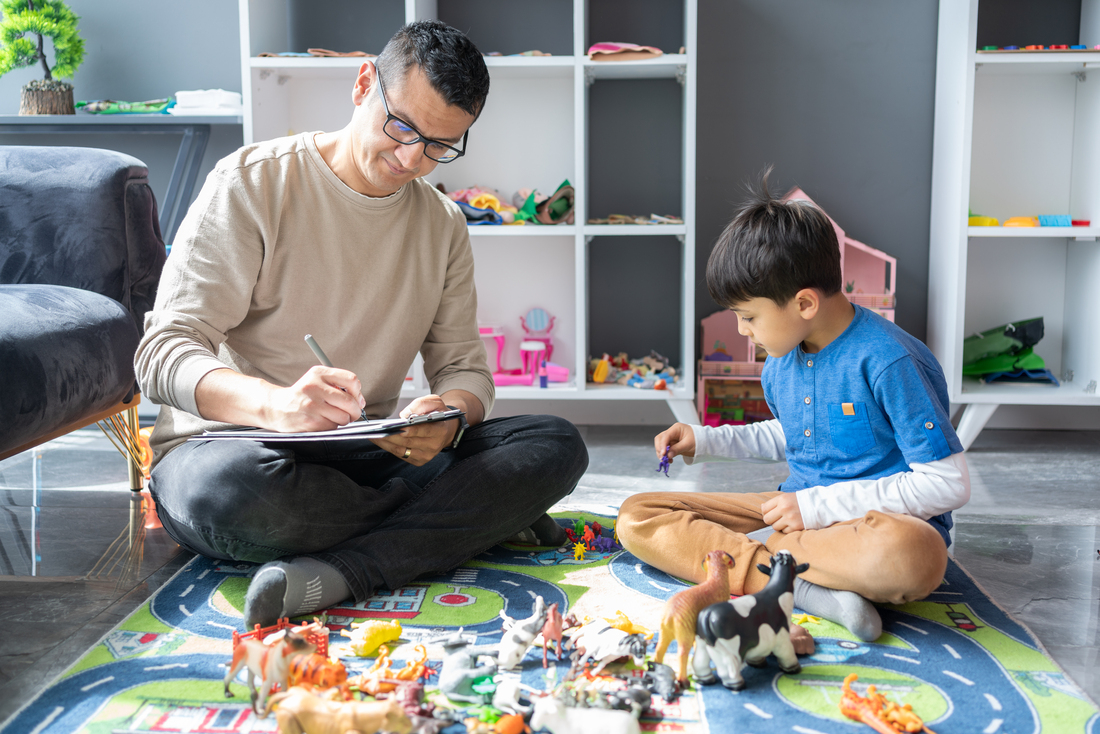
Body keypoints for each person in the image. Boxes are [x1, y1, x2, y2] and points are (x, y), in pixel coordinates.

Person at [135, 20, 588, 629]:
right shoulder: (251, 183)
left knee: (555, 444)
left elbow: (464, 370)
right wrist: (278, 407)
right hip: (236, 453)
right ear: (362, 85)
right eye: (401, 128)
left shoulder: (443, 225)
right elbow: (162, 353)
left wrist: (447, 414)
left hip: (366, 451)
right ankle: (468, 518)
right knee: (233, 498)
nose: (411, 159)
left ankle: (346, 569)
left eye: (439, 145)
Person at [616, 171, 970, 641]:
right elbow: (797, 432)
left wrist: (817, 508)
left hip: (866, 530)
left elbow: (948, 484)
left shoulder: (889, 360)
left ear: (804, 303)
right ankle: (815, 592)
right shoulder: (781, 360)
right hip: (792, 518)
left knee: (913, 555)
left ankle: (763, 565)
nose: (743, 331)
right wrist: (705, 438)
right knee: (639, 515)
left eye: (748, 317)